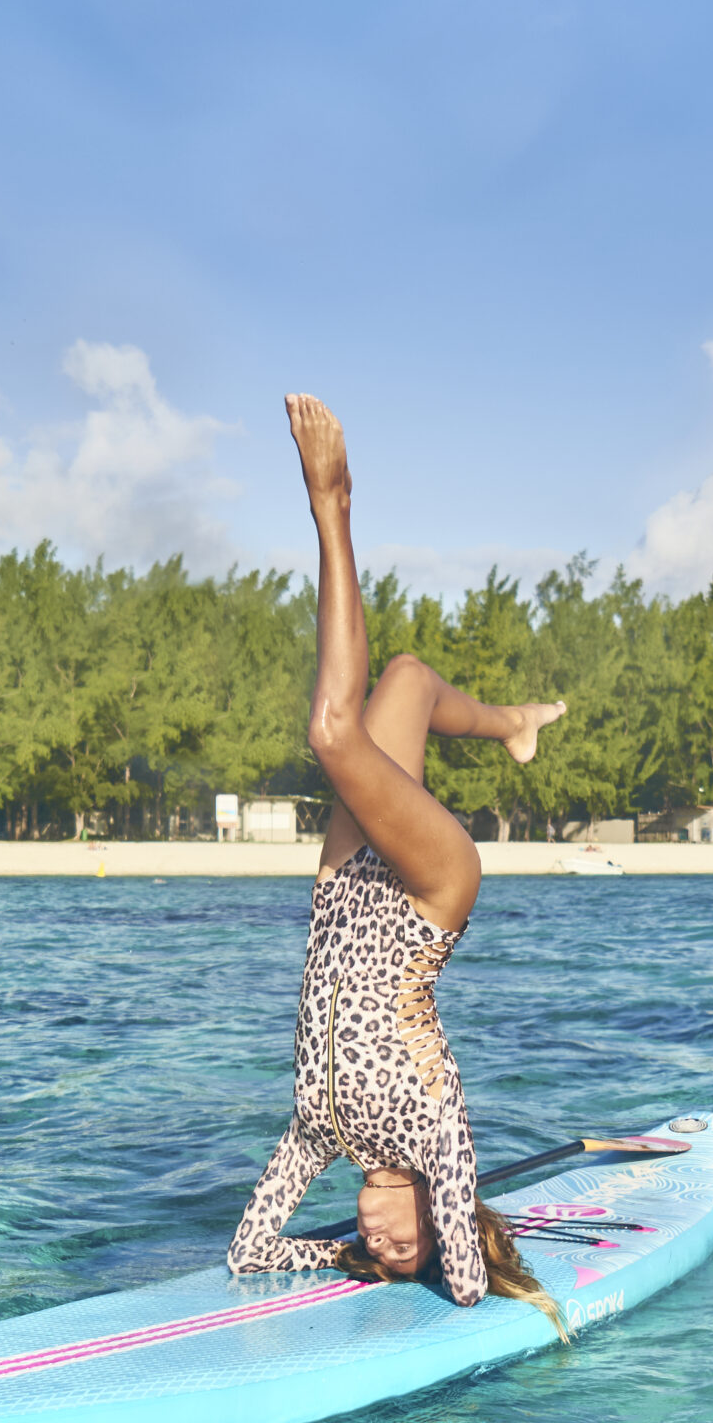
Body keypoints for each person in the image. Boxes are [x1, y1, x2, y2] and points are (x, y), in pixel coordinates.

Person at [227, 394, 569, 1330]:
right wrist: (441, 1267)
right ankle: (333, 503)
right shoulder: (436, 1136)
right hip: (426, 897)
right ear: (439, 1210)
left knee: (406, 681)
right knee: (346, 723)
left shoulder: (318, 1135)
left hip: (342, 889)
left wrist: (338, 1261)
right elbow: (464, 1284)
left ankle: (514, 724)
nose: (387, 1242)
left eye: (384, 1250)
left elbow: (249, 1251)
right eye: (406, 1243)